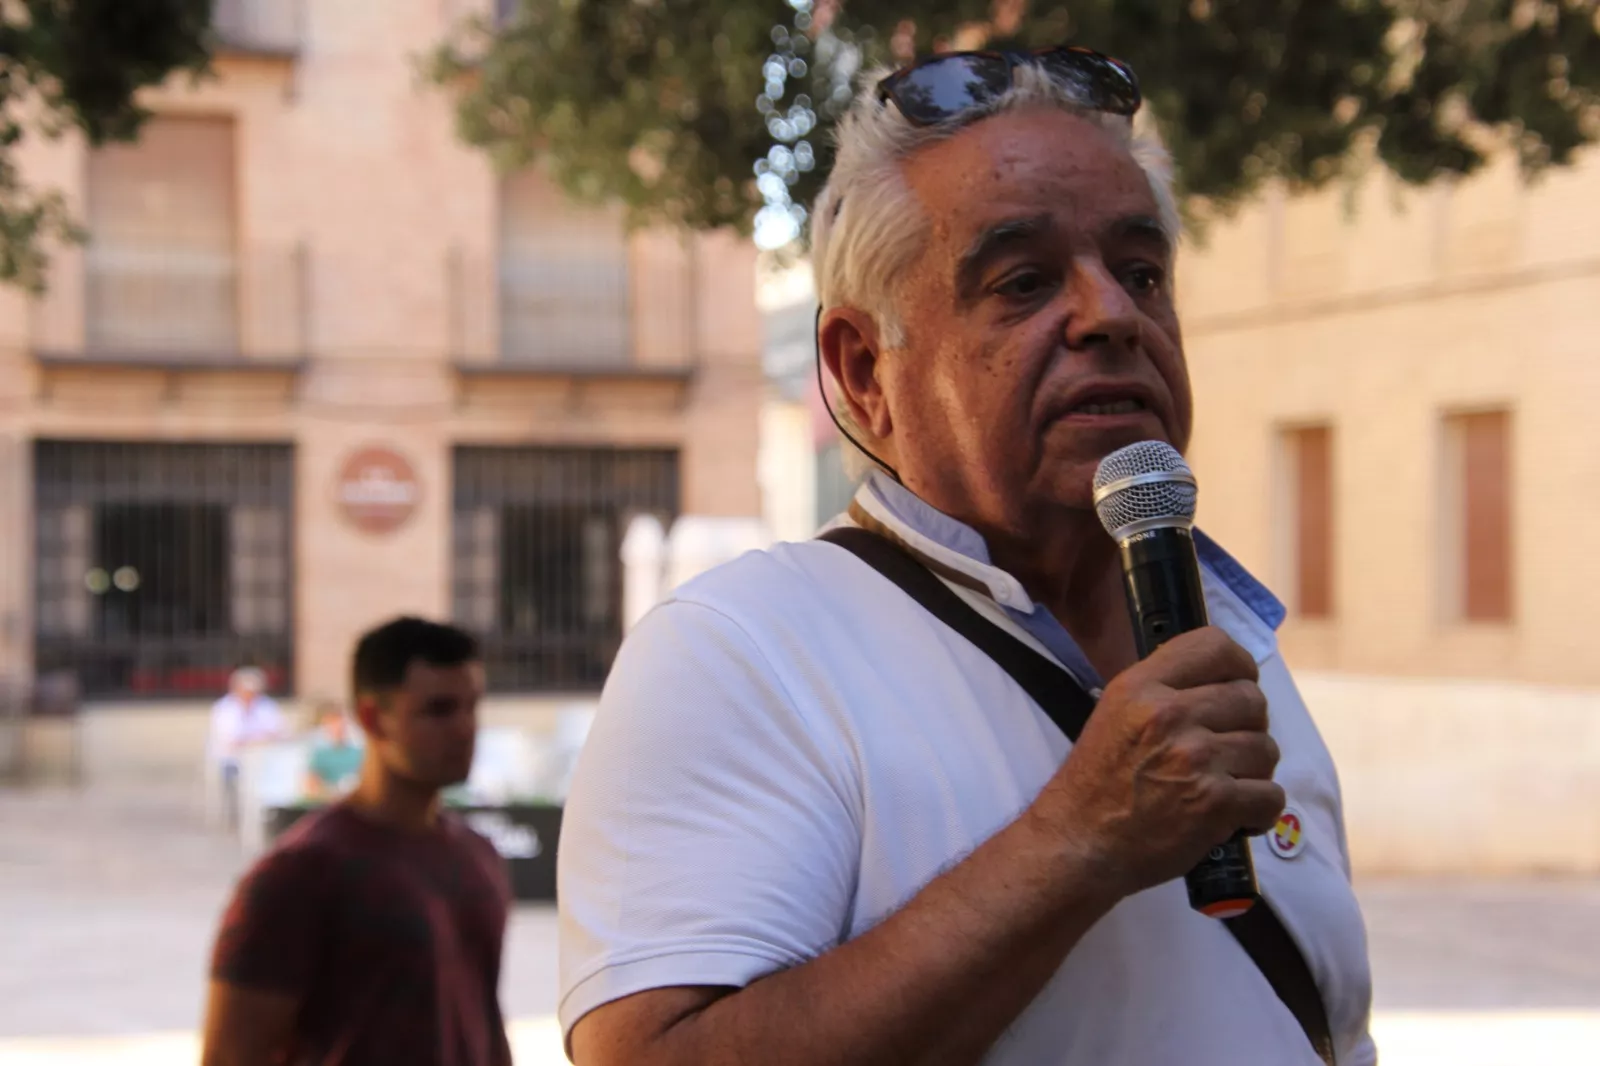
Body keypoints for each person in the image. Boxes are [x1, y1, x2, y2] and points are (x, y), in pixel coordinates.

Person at [557, 46, 1375, 1066]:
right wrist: (1077, 840)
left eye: (1141, 273)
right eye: (1023, 281)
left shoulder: (1225, 630)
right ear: (864, 371)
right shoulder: (741, 653)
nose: (1112, 316)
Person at [202, 617, 512, 1066]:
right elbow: (231, 1055)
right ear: (372, 718)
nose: (465, 729)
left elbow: (482, 1020)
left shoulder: (477, 856)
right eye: (439, 710)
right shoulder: (300, 875)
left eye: (472, 707)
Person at [207, 666, 287, 829]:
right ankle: (242, 814)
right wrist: (259, 739)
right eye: (246, 691)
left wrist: (259, 740)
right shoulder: (224, 708)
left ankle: (274, 813)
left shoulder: (267, 706)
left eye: (253, 692)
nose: (250, 696)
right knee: (240, 776)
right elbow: (229, 739)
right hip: (232, 760)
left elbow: (280, 731)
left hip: (265, 758)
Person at [303, 700, 364, 802]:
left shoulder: (358, 753)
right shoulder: (320, 756)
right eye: (332, 724)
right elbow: (310, 785)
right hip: (329, 800)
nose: (337, 728)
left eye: (341, 724)